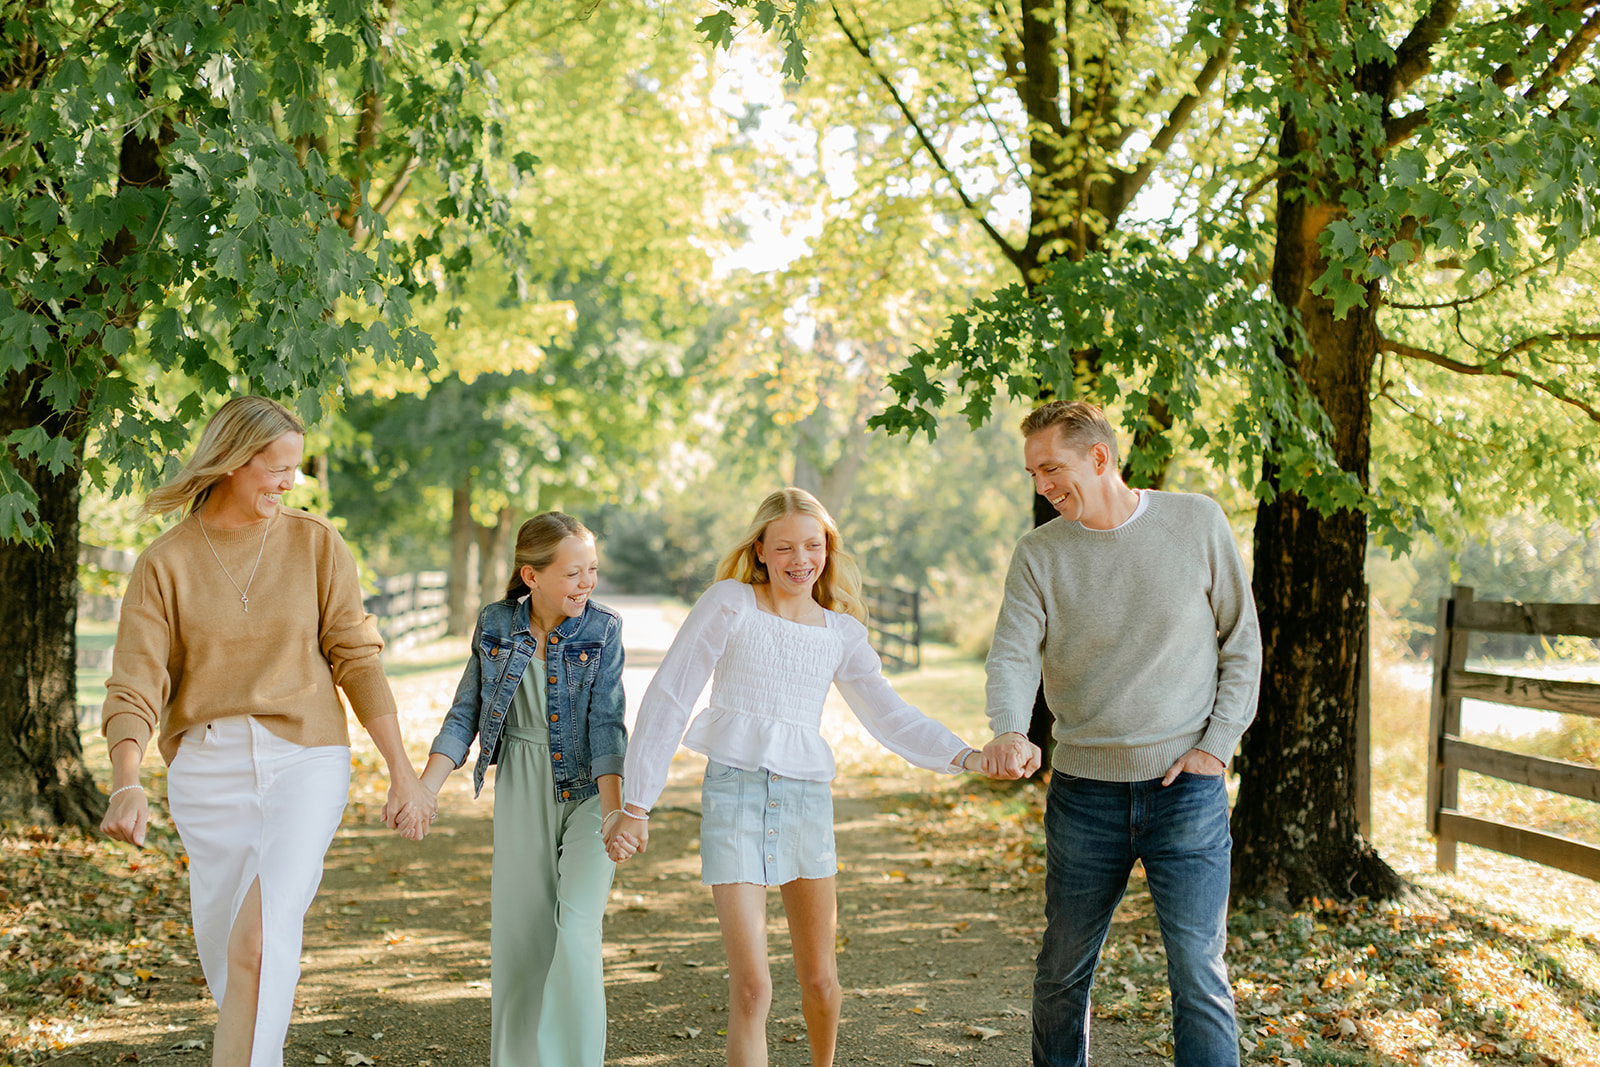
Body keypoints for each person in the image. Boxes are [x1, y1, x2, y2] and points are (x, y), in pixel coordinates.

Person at [98, 395, 435, 1067]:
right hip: (207, 771)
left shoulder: (315, 545)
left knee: (258, 939)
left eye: (295, 469)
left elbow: (357, 657)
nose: (290, 483)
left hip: (306, 760)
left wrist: (402, 769)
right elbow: (135, 681)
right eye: (277, 468)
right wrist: (125, 781)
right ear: (230, 462)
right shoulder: (165, 563)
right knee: (236, 963)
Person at [606, 487, 992, 1067]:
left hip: (806, 803)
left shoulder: (840, 633)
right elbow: (670, 695)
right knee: (753, 987)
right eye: (784, 547)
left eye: (813, 546)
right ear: (760, 549)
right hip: (734, 796)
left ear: (827, 550)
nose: (800, 559)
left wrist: (966, 756)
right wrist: (638, 802)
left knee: (820, 982)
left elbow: (890, 715)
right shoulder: (729, 603)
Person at [980, 400, 1262, 1067]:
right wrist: (1011, 730)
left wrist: (1215, 747)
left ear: (1099, 457)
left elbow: (1241, 643)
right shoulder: (1038, 553)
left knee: (1199, 973)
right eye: (1034, 472)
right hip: (1084, 795)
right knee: (1061, 972)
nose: (1042, 484)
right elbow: (1014, 654)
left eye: (1052, 467)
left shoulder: (1196, 521)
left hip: (1185, 792)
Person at [414, 512, 626, 1067]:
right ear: (531, 576)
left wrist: (613, 814)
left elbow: (607, 723)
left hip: (589, 790)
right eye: (574, 572)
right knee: (522, 939)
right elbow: (467, 714)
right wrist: (427, 788)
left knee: (577, 927)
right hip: (520, 785)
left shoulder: (603, 629)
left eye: (593, 571)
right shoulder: (495, 623)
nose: (587, 584)